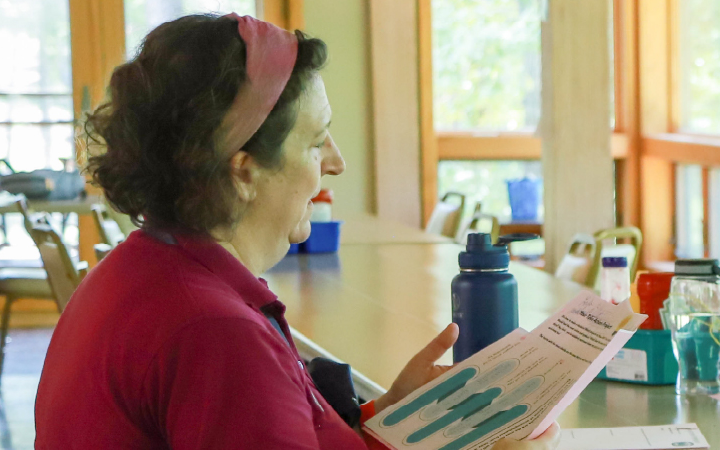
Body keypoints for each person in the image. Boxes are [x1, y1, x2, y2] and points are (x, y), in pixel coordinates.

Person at [35, 14, 554, 449]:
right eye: (316, 142)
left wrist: (388, 420)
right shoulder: (216, 333)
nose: (337, 163)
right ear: (244, 171)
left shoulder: (144, 272)